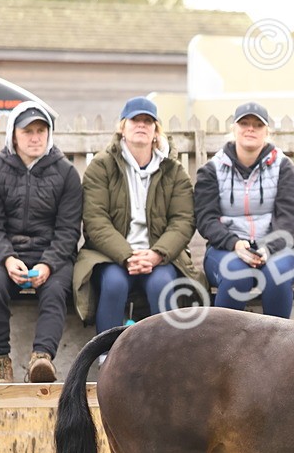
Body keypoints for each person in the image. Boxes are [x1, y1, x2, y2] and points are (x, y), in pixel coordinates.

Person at [74, 97, 202, 335]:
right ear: (122, 127)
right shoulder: (101, 167)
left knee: (161, 285)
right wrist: (127, 255)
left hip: (161, 255)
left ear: (156, 130)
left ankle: (163, 357)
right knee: (114, 284)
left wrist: (156, 254)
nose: (141, 125)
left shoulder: (174, 171)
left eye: (148, 121)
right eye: (135, 120)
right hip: (110, 254)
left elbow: (183, 221)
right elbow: (95, 220)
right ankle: (106, 355)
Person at [0, 101, 82, 383]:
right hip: (5, 255)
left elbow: (68, 230)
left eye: (41, 130)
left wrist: (48, 264)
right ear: (13, 135)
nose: (35, 137)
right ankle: (0, 362)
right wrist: (8, 258)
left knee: (56, 289)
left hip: (52, 255)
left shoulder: (67, 174)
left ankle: (41, 359)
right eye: (28, 131)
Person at [194, 102, 294, 318]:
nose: (250, 129)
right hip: (226, 249)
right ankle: (223, 347)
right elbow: (206, 220)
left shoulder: (284, 167)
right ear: (234, 128)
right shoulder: (211, 170)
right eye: (244, 123)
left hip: (275, 247)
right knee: (236, 273)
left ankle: (278, 347)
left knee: (278, 273)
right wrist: (234, 243)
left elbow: (287, 219)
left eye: (257, 124)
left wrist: (268, 247)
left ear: (267, 132)